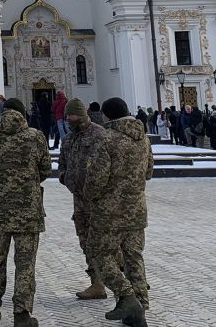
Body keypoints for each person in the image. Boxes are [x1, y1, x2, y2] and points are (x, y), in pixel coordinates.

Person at [83, 97, 154, 326]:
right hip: (136, 209)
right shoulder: (142, 138)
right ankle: (139, 309)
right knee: (134, 257)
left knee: (100, 253)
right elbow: (149, 171)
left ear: (106, 115)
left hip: (109, 212)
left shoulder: (106, 139)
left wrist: (90, 195)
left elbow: (96, 178)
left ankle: (127, 296)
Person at [0, 98, 51, 327]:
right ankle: (21, 314)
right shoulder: (35, 137)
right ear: (23, 113)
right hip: (27, 211)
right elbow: (45, 168)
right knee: (25, 264)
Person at [57, 98, 108, 302]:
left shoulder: (99, 134)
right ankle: (97, 283)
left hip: (99, 199)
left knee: (105, 241)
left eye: (71, 115)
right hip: (78, 199)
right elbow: (62, 163)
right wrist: (65, 177)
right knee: (85, 240)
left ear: (81, 114)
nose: (68, 118)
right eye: (67, 115)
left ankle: (127, 277)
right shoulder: (69, 139)